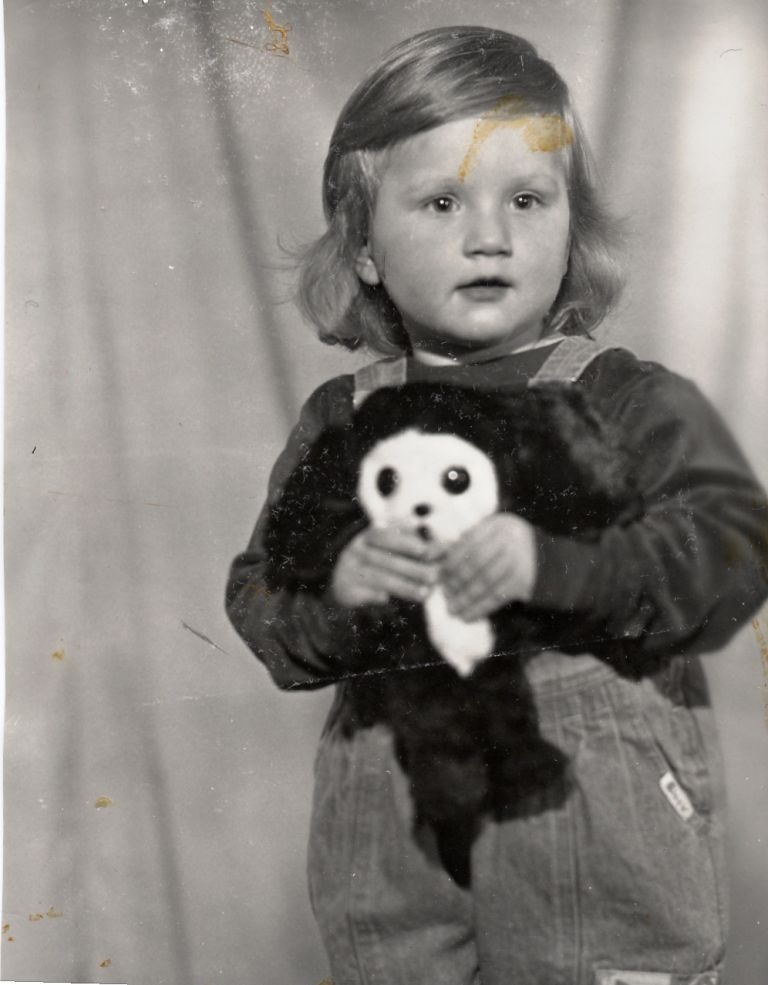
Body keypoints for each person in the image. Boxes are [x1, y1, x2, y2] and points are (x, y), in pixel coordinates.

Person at [226, 26, 768, 985]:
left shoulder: (624, 399)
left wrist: (556, 568)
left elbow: (730, 555)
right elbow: (262, 601)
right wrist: (340, 591)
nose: (490, 236)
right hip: (392, 818)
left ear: (572, 228)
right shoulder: (343, 420)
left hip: (595, 828)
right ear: (363, 248)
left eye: (527, 199)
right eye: (442, 202)